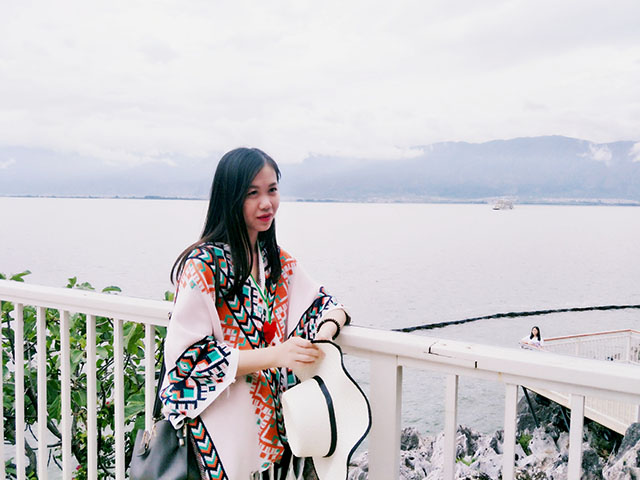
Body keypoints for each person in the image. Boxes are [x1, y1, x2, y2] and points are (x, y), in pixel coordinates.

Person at [160, 148, 349, 480]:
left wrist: (323, 334)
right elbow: (187, 361)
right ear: (229, 197)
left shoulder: (277, 262)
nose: (266, 203)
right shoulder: (203, 267)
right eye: (252, 193)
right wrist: (276, 355)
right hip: (219, 432)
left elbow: (326, 306)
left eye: (272, 190)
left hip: (270, 433)